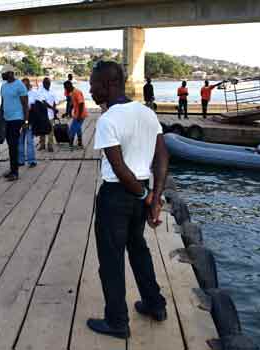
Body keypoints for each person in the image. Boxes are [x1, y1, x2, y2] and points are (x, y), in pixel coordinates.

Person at [88, 61, 170, 339]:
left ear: (109, 84)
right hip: (141, 193)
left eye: (94, 84)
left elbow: (120, 168)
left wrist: (147, 196)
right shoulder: (147, 113)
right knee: (138, 248)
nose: (90, 89)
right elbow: (162, 157)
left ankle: (117, 321)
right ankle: (154, 304)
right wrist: (154, 197)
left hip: (118, 195)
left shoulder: (108, 120)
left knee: (111, 259)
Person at [0, 65, 29, 182]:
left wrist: (26, 121)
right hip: (6, 119)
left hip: (17, 119)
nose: (2, 76)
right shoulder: (3, 86)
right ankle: (13, 169)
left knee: (13, 145)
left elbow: (25, 105)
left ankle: (15, 172)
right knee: (10, 145)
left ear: (10, 73)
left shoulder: (20, 86)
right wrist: (0, 116)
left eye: (4, 74)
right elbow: (3, 103)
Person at [36, 77, 59, 153]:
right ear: (43, 84)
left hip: (51, 115)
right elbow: (43, 102)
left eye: (48, 83)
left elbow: (55, 101)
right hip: (43, 114)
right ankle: (42, 145)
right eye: (46, 83)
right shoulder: (40, 91)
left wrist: (54, 111)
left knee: (50, 131)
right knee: (42, 130)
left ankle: (50, 145)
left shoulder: (53, 91)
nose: (47, 85)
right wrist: (52, 108)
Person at [64, 80, 88, 150]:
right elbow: (72, 104)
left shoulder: (76, 92)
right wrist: (67, 112)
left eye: (65, 88)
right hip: (76, 114)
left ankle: (70, 144)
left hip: (81, 114)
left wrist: (79, 116)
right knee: (78, 129)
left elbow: (81, 103)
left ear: (69, 86)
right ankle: (80, 144)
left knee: (72, 129)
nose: (65, 90)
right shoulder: (71, 93)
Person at [19, 78, 37, 168]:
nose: (23, 87)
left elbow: (30, 108)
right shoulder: (19, 94)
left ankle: (31, 160)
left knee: (29, 141)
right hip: (19, 120)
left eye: (24, 85)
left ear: (28, 85)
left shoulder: (32, 94)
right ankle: (20, 160)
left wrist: (26, 121)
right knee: (20, 141)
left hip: (29, 121)